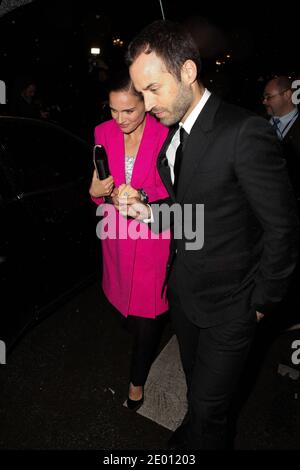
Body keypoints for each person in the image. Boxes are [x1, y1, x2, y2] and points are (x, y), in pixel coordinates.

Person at [116, 20, 299, 449]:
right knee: (197, 393)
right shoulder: (173, 134)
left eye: (153, 89)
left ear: (188, 73)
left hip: (233, 306)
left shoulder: (243, 132)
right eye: (139, 92)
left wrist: (261, 304)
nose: (145, 103)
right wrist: (146, 211)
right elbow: (190, 211)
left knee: (211, 412)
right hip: (185, 295)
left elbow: (283, 227)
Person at [89, 69, 170, 410]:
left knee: (147, 317)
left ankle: (137, 382)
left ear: (146, 104)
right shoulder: (102, 133)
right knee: (126, 309)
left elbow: (177, 192)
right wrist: (95, 192)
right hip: (118, 239)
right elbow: (101, 188)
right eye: (113, 110)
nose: (120, 119)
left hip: (154, 238)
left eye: (129, 111)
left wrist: (141, 196)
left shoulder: (167, 133)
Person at [263, 75, 300, 198]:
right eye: (264, 97)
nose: (264, 102)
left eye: (269, 97)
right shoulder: (258, 123)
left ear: (287, 95)